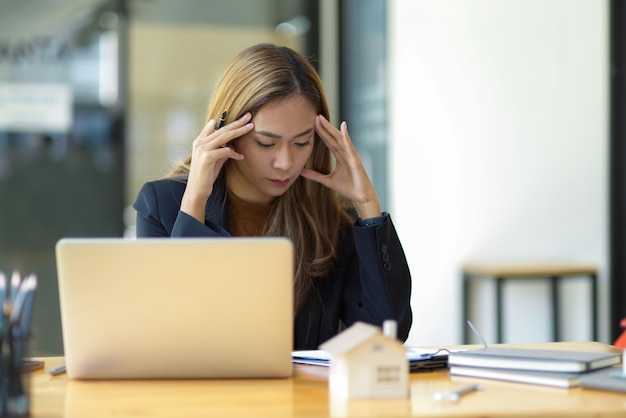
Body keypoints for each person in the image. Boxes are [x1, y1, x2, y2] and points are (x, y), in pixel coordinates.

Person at [133, 43, 412, 349]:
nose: (286, 163)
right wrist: (195, 201)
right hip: (202, 396)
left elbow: (387, 335)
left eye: (302, 142)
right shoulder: (164, 206)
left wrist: (367, 206)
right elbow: (170, 333)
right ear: (228, 133)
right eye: (266, 143)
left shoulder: (331, 216)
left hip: (303, 396)